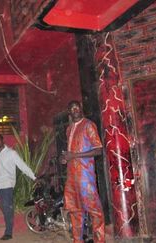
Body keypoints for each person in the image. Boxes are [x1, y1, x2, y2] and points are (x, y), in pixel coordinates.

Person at [60, 100, 105, 243]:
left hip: (86, 176)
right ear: (69, 112)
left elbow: (98, 150)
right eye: (71, 108)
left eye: (77, 107)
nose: (75, 110)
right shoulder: (69, 129)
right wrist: (66, 158)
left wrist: (75, 156)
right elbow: (71, 151)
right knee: (75, 211)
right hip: (72, 176)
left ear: (81, 109)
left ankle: (100, 240)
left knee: (95, 211)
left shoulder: (89, 125)